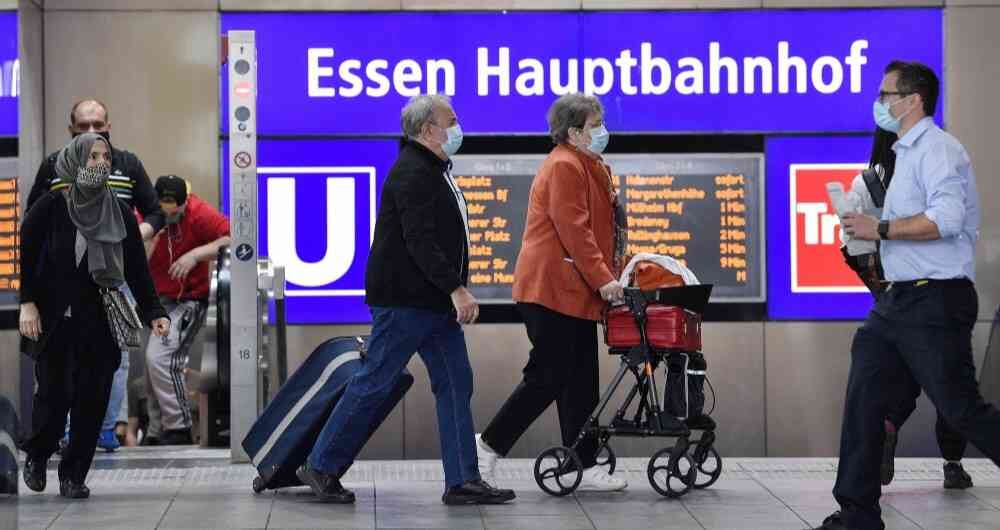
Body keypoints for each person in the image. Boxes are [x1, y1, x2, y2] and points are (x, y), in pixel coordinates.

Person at [295, 94, 515, 506]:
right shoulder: (413, 172)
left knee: (455, 383)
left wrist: (448, 292)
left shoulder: (433, 169)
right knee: (375, 381)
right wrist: (457, 289)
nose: (457, 126)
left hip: (431, 304)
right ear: (428, 129)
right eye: (451, 120)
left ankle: (463, 479)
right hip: (404, 303)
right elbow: (420, 241)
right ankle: (321, 464)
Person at [814, 61, 1000, 530]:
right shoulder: (903, 156)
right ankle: (857, 514)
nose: (880, 103)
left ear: (912, 100)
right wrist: (867, 234)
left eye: (885, 95)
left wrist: (878, 228)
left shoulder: (939, 150)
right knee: (864, 399)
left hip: (935, 300)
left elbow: (948, 220)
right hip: (896, 302)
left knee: (961, 409)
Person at [475, 93, 628, 492]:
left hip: (574, 291)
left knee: (581, 378)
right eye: (595, 125)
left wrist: (618, 271)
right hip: (550, 288)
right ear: (574, 132)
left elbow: (601, 231)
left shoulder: (590, 165)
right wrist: (603, 280)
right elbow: (574, 231)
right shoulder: (563, 166)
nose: (603, 131)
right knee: (548, 374)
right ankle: (488, 447)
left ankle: (584, 461)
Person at [18, 133, 169, 499]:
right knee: (54, 400)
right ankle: (38, 453)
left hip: (101, 321)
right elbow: (23, 255)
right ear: (74, 162)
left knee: (92, 400)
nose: (100, 163)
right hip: (54, 321)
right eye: (92, 157)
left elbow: (136, 268)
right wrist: (27, 302)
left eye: (105, 157)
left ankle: (74, 475)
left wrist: (154, 312)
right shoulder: (50, 206)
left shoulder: (118, 211)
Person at [841, 127, 972, 490]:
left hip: (892, 297)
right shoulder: (933, 173)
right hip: (940, 293)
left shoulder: (866, 183)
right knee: (951, 382)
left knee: (903, 374)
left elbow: (851, 246)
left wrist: (882, 290)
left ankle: (887, 426)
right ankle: (952, 462)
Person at [142, 175, 230, 445]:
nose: (169, 216)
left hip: (188, 299)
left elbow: (233, 239)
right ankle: (156, 430)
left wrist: (195, 255)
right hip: (156, 299)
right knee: (150, 365)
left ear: (184, 203)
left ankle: (178, 427)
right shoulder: (146, 213)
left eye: (175, 211)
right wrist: (149, 240)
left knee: (161, 358)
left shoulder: (198, 212)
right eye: (163, 212)